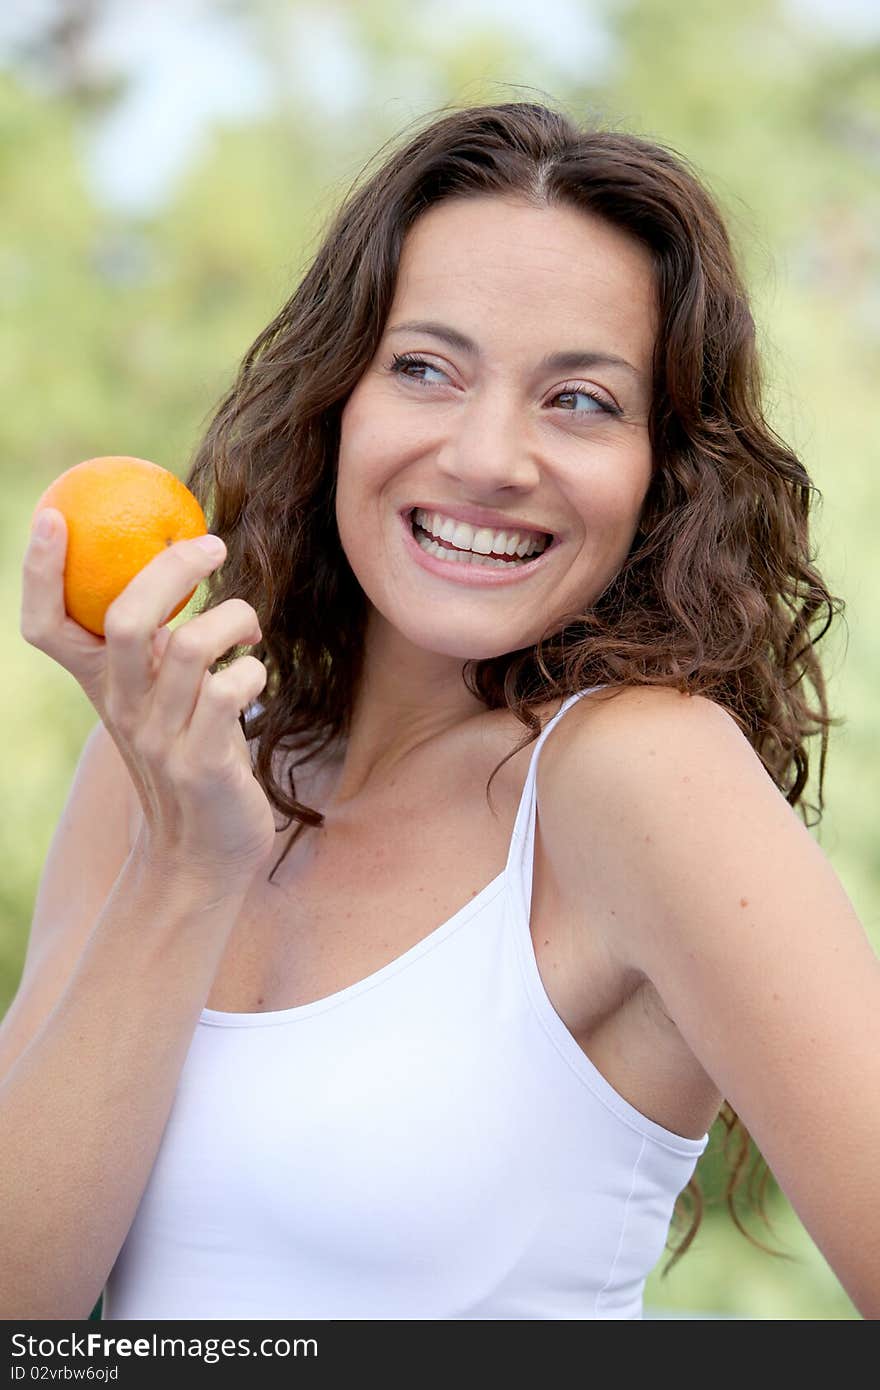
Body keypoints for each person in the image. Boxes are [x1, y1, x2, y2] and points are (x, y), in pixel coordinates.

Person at [6, 100, 879, 1322]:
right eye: (425, 367)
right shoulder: (167, 754)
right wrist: (185, 863)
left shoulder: (640, 774)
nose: (486, 455)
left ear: (661, 470)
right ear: (336, 401)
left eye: (578, 399)